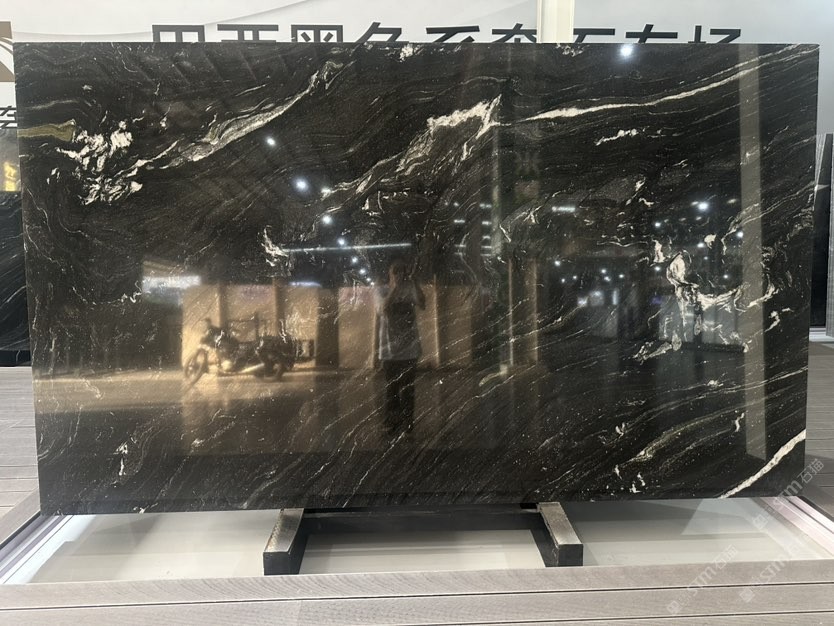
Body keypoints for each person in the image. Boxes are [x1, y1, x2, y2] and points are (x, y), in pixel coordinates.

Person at [376, 258, 426, 434]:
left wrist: (415, 283)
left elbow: (423, 304)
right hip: (389, 350)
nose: (399, 275)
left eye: (402, 271)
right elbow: (383, 309)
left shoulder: (410, 288)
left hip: (410, 349)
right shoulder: (382, 290)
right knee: (392, 388)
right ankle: (392, 423)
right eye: (396, 271)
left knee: (408, 388)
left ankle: (408, 423)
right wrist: (395, 288)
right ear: (390, 274)